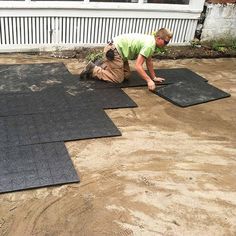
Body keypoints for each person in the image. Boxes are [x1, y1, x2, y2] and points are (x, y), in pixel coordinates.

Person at [80, 28, 173, 91]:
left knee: (127, 75)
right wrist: (149, 81)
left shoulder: (151, 41)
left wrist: (154, 77)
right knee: (118, 79)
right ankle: (93, 69)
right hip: (113, 51)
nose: (166, 44)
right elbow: (138, 66)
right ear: (158, 38)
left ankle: (105, 64)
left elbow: (149, 61)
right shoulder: (150, 45)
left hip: (120, 53)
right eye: (166, 42)